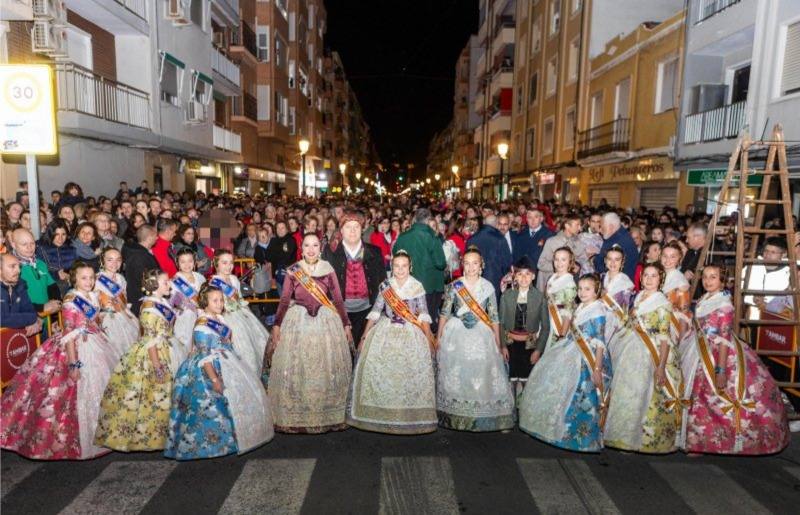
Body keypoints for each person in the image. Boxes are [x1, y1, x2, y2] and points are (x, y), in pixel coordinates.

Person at [0, 261, 118, 460]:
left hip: (96, 345)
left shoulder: (92, 295)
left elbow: (93, 321)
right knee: (67, 396)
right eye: (83, 278)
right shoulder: (71, 300)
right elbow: (70, 335)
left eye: (91, 277)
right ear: (74, 279)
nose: (88, 281)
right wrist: (74, 364)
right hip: (76, 350)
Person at [684, 265, 790, 455]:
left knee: (714, 397)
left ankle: (719, 441)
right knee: (700, 397)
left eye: (713, 277)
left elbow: (723, 340)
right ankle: (697, 440)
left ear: (722, 281)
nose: (708, 281)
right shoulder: (705, 298)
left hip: (719, 355)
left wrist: (721, 370)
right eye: (705, 277)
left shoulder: (724, 305)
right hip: (700, 348)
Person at [165, 284, 274, 459]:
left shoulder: (219, 319)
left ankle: (236, 437)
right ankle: (212, 443)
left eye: (221, 300)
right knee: (213, 407)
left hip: (227, 361)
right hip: (208, 370)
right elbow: (204, 355)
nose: (219, 303)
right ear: (204, 303)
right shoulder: (203, 324)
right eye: (214, 301)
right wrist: (215, 379)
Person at [268, 233, 353, 433]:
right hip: (298, 322)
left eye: (315, 245)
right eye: (307, 245)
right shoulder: (294, 270)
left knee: (326, 365)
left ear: (320, 248)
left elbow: (338, 299)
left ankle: (327, 410)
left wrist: (346, 324)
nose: (311, 249)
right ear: (301, 247)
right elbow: (285, 299)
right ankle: (299, 409)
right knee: (300, 366)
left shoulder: (328, 269)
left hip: (326, 321)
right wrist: (277, 324)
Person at [348, 251, 437, 434]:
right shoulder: (385, 286)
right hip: (385, 331)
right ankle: (383, 414)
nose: (400, 269)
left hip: (411, 333)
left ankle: (407, 415)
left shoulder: (417, 286)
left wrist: (429, 339)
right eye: (397, 266)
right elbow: (376, 311)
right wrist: (364, 337)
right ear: (392, 267)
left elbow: (424, 314)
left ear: (410, 267)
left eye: (404, 266)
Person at [519, 273, 611, 452]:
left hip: (588, 358)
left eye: (587, 289)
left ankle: (581, 438)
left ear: (596, 291)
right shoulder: (581, 306)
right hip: (572, 348)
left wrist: (597, 368)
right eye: (580, 289)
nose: (582, 292)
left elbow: (600, 342)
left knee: (582, 396)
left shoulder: (598, 310)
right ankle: (558, 430)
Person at [95, 269, 178, 452]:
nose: (169, 284)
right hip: (154, 355)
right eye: (165, 282)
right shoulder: (150, 308)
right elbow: (150, 342)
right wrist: (157, 367)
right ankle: (151, 436)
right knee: (154, 396)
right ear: (154, 285)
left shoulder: (161, 301)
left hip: (167, 348)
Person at [604, 263, 683, 454]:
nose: (648, 279)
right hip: (630, 348)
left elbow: (664, 338)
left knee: (641, 394)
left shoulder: (662, 302)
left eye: (654, 276)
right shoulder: (639, 296)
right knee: (625, 391)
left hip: (650, 352)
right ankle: (621, 436)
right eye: (646, 275)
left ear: (660, 279)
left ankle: (637, 438)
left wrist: (661, 366)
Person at [435, 246, 514, 432]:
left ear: (481, 266)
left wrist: (498, 342)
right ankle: (455, 415)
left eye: (475, 263)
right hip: (456, 333)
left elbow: (494, 317)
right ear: (462, 265)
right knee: (457, 372)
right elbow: (445, 313)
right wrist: (438, 336)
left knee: (482, 372)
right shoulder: (455, 286)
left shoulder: (487, 287)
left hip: (482, 333)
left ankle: (484, 417)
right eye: (467, 263)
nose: (471, 267)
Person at [323, 211, 385, 344]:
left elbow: (382, 285)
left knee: (364, 347)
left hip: (367, 310)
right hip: (339, 311)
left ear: (362, 229)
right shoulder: (330, 252)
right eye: (348, 227)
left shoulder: (375, 252)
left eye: (356, 227)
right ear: (341, 231)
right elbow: (324, 285)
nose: (352, 231)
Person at [209, 249, 269, 375]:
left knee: (253, 347)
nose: (229, 266)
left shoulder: (234, 279)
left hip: (240, 315)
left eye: (231, 262)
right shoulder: (214, 282)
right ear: (216, 264)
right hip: (226, 318)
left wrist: (247, 313)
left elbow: (240, 299)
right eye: (224, 263)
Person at [498, 256, 550, 393]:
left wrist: (538, 350)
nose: (524, 278)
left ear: (533, 276)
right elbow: (501, 324)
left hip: (530, 347)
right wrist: (503, 346)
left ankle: (525, 410)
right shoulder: (506, 296)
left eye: (527, 274)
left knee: (528, 384)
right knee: (511, 382)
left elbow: (545, 327)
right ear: (514, 276)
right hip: (510, 345)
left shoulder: (540, 297)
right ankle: (512, 410)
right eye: (520, 274)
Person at [393, 208, 447, 330]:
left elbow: (395, 252)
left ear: (414, 220)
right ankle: (428, 346)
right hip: (430, 286)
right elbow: (441, 263)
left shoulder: (403, 236)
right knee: (428, 320)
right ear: (428, 220)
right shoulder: (432, 237)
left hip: (408, 283)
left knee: (412, 320)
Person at [95, 247, 139, 360]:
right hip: (106, 319)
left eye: (118, 260)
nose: (114, 263)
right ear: (102, 261)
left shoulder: (121, 278)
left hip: (123, 314)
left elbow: (124, 300)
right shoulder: (97, 279)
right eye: (110, 260)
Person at [10, 228, 61, 316]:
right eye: (24, 244)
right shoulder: (11, 268)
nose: (29, 247)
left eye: (32, 243)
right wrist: (41, 308)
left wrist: (54, 308)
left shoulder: (40, 263)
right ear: (13, 245)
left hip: (46, 316)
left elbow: (52, 286)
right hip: (27, 320)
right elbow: (14, 301)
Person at [170, 248, 206, 366]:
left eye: (190, 261)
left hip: (201, 316)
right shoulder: (175, 281)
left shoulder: (200, 277)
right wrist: (185, 304)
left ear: (195, 261)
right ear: (177, 263)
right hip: (184, 318)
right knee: (185, 345)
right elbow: (172, 303)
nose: (187, 265)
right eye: (183, 261)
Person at [600, 245, 635, 362]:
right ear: (605, 261)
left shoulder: (626, 283)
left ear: (622, 262)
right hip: (600, 321)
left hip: (616, 325)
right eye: (610, 259)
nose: (613, 263)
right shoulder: (601, 278)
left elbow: (626, 310)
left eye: (617, 259)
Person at [467, 214, 513, 302]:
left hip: (475, 279)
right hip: (494, 280)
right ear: (496, 224)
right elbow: (507, 262)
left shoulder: (472, 239)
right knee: (492, 306)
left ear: (484, 222)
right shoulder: (500, 239)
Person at [536, 214, 586, 289]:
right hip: (551, 283)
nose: (580, 228)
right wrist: (560, 266)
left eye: (580, 225)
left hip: (569, 283)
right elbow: (541, 264)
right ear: (567, 226)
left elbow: (583, 259)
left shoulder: (578, 242)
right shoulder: (552, 241)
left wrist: (578, 265)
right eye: (577, 225)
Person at [0, 253, 42, 335]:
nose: (19, 271)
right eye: (12, 266)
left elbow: (30, 310)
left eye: (19, 266)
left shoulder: (20, 286)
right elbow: (3, 318)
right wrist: (34, 318)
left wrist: (36, 319)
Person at [122, 225, 159, 315]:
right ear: (149, 237)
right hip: (141, 302)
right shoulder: (140, 256)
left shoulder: (139, 253)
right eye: (155, 235)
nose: (157, 238)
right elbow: (146, 282)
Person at [37, 219, 77, 296]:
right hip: (48, 289)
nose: (60, 238)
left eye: (63, 234)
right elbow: (38, 272)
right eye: (56, 234)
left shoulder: (72, 248)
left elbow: (77, 269)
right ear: (50, 234)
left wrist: (70, 276)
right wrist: (56, 274)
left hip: (69, 289)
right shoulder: (40, 247)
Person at [594, 212, 639, 278]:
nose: (600, 231)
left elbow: (603, 267)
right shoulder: (621, 234)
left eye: (602, 227)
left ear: (611, 227)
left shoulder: (617, 242)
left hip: (618, 283)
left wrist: (592, 257)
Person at [265, 220, 298, 295]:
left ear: (287, 229)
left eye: (282, 228)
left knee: (290, 298)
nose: (280, 230)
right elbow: (267, 256)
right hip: (277, 273)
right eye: (278, 228)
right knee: (283, 298)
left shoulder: (291, 240)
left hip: (290, 273)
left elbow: (287, 257)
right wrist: (280, 253)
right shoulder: (273, 240)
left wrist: (275, 253)